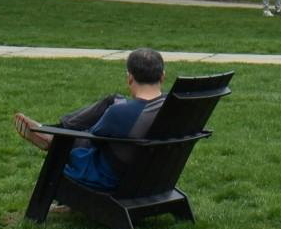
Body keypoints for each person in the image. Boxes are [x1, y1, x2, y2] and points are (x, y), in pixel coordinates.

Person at [12, 47, 167, 192]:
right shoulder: (173, 107)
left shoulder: (120, 113)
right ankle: (56, 129)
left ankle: (53, 138)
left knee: (74, 141)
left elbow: (93, 140)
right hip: (155, 175)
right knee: (114, 99)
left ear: (130, 78)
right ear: (162, 76)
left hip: (110, 176)